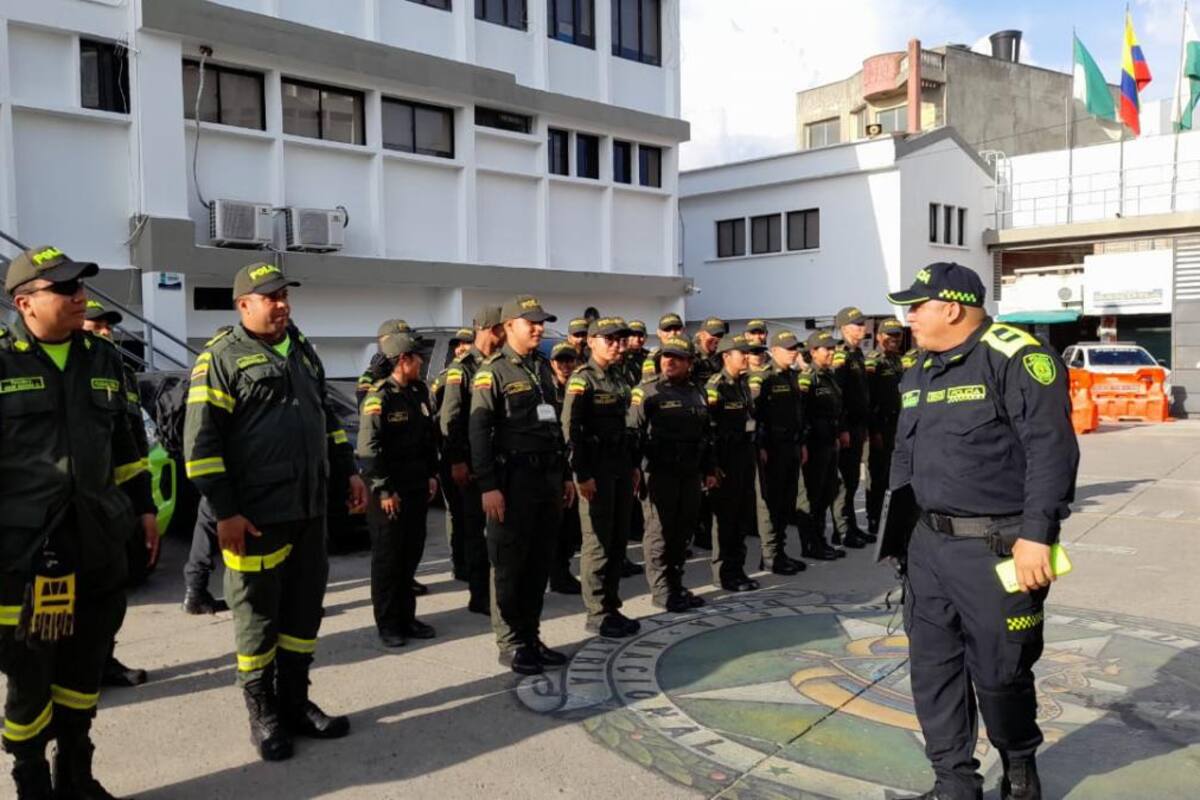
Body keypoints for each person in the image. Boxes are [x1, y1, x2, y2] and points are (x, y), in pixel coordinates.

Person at [888, 262, 1079, 800]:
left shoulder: (1017, 358)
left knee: (1001, 673)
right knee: (934, 670)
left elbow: (1051, 450)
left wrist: (1038, 535)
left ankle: (1019, 765)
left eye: (917, 306)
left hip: (999, 546)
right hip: (928, 545)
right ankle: (955, 784)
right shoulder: (919, 368)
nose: (909, 318)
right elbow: (906, 454)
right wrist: (900, 539)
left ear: (951, 308)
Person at [184, 262, 366, 762]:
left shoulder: (302, 350)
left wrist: (348, 469)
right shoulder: (219, 358)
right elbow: (200, 444)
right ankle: (263, 714)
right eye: (270, 296)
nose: (282, 303)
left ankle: (295, 703)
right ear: (243, 304)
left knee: (303, 613)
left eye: (285, 294)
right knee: (256, 620)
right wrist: (225, 512)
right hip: (256, 517)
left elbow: (325, 417)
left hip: (308, 511)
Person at [0, 245, 156, 799]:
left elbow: (128, 444)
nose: (80, 297)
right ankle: (30, 782)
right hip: (28, 558)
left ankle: (76, 776)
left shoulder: (103, 358)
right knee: (30, 680)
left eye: (80, 286)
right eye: (64, 290)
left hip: (97, 545)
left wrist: (143, 508)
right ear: (25, 303)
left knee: (84, 670)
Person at [469, 295, 574, 676]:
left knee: (538, 562)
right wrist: (488, 486)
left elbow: (553, 427)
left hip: (545, 478)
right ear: (508, 325)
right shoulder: (492, 371)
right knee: (509, 564)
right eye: (530, 322)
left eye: (541, 321)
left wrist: (563, 476)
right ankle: (511, 642)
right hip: (512, 482)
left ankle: (531, 635)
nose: (538, 327)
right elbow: (478, 432)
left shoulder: (543, 369)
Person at [81, 300, 156, 690]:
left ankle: (104, 659)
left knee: (111, 593)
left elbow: (130, 435)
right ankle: (71, 674)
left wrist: (143, 504)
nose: (106, 332)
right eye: (97, 327)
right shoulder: (62, 372)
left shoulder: (119, 371)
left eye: (109, 327)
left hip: (117, 498)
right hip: (74, 504)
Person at [358, 333, 440, 648]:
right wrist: (382, 489)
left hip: (417, 486)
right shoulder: (380, 396)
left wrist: (432, 474)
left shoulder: (418, 391)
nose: (422, 362)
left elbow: (427, 438)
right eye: (418, 357)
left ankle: (408, 617)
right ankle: (389, 623)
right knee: (388, 560)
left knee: (410, 555)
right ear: (403, 360)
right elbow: (369, 448)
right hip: (389, 492)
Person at [562, 317, 640, 639]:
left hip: (621, 468)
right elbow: (571, 429)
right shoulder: (583, 379)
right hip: (596, 473)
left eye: (619, 339)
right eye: (608, 339)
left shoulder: (619, 376)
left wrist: (633, 465)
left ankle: (611, 605)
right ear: (592, 341)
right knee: (597, 544)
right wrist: (581, 474)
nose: (615, 344)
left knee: (618, 539)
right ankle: (597, 613)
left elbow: (626, 426)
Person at [628, 336, 714, 612]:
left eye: (676, 356)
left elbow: (706, 433)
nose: (669, 361)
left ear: (689, 362)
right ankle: (662, 590)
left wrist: (709, 468)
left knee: (682, 531)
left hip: (689, 472)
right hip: (659, 472)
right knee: (659, 533)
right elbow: (633, 433)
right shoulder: (647, 392)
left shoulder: (697, 391)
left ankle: (676, 584)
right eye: (665, 356)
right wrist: (635, 469)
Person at [439, 306, 505, 613]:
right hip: (472, 463)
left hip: (499, 462)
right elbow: (450, 419)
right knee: (477, 533)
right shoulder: (462, 368)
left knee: (501, 533)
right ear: (492, 329)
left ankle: (498, 589)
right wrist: (457, 461)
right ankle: (480, 596)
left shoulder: (501, 363)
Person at [705, 334, 763, 592]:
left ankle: (738, 569)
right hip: (725, 461)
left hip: (744, 457)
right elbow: (708, 429)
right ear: (727, 356)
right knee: (726, 519)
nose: (748, 357)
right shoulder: (716, 386)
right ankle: (724, 574)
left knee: (741, 516)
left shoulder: (743, 383)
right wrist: (712, 465)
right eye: (743, 353)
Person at [750, 329, 807, 575]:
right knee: (770, 504)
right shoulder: (763, 379)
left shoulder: (793, 376)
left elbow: (798, 414)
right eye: (788, 349)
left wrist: (801, 443)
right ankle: (770, 555)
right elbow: (755, 416)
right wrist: (760, 446)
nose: (794, 353)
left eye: (795, 348)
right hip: (772, 449)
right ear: (773, 351)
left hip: (791, 446)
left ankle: (780, 551)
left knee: (786, 502)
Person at [431, 326, 483, 583]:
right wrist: (452, 458)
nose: (462, 347)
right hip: (452, 454)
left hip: (472, 454)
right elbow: (445, 419)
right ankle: (460, 562)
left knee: (469, 515)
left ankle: (468, 563)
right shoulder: (449, 376)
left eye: (467, 342)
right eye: (459, 344)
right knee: (458, 513)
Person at [797, 331, 845, 561]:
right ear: (813, 351)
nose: (832, 352)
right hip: (814, 445)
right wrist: (804, 443)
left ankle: (821, 540)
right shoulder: (808, 377)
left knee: (827, 493)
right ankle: (811, 544)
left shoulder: (829, 376)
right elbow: (801, 413)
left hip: (828, 441)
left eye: (833, 348)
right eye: (827, 348)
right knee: (814, 496)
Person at [830, 306, 874, 549]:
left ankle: (852, 527)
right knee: (845, 481)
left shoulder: (857, 354)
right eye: (857, 324)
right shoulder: (841, 355)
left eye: (862, 323)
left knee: (852, 481)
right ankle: (842, 530)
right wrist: (842, 428)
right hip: (847, 427)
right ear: (845, 327)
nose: (862, 328)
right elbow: (839, 396)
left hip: (859, 425)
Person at [546, 343, 583, 594]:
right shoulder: (546, 391)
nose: (565, 366)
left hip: (577, 463)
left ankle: (562, 568)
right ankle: (556, 573)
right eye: (560, 361)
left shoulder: (580, 388)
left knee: (572, 525)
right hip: (556, 464)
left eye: (570, 360)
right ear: (552, 363)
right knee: (556, 523)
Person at [864, 317, 905, 535]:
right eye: (889, 335)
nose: (894, 339)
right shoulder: (873, 361)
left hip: (898, 425)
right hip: (881, 426)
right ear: (880, 337)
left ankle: (890, 518)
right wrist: (874, 430)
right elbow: (867, 399)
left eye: (897, 335)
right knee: (878, 476)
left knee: (894, 474)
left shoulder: (896, 361)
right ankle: (873, 518)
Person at [355, 318, 412, 405]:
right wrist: (376, 375)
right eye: (399, 340)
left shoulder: (414, 359)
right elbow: (363, 405)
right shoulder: (376, 368)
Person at [640, 312, 686, 381]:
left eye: (677, 329)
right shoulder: (653, 358)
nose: (673, 333)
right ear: (659, 333)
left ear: (683, 330)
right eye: (667, 330)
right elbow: (649, 387)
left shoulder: (691, 355)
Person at [691, 317, 726, 386]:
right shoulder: (691, 357)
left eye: (720, 335)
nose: (717, 339)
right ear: (701, 335)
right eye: (713, 334)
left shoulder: (722, 356)